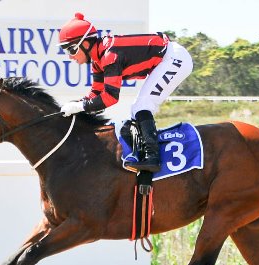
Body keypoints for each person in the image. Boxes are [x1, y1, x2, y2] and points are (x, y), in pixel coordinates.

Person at [58, 13, 193, 173]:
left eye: (72, 49)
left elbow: (110, 98)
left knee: (142, 106)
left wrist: (80, 107)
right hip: (166, 58)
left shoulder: (109, 56)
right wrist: (75, 105)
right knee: (137, 109)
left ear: (86, 43)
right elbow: (95, 94)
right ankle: (147, 153)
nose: (70, 56)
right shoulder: (98, 61)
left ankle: (153, 157)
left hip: (174, 58)